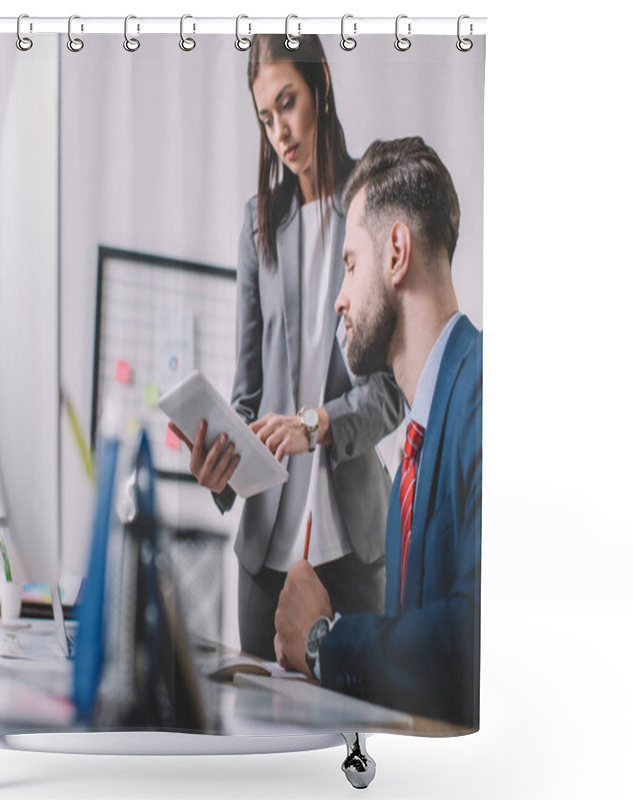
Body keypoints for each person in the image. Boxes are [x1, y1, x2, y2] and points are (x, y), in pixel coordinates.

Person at [170, 35, 402, 660]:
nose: (280, 131)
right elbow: (247, 397)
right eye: (265, 118)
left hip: (353, 551)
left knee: (353, 731)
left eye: (288, 103)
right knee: (260, 741)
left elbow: (392, 391)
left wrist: (317, 423)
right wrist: (219, 468)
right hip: (264, 556)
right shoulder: (258, 226)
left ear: (321, 81)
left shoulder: (375, 205)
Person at [273, 136, 482, 728]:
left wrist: (323, 640)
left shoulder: (487, 401)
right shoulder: (409, 458)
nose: (339, 299)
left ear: (395, 254)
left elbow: (467, 646)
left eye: (349, 265)